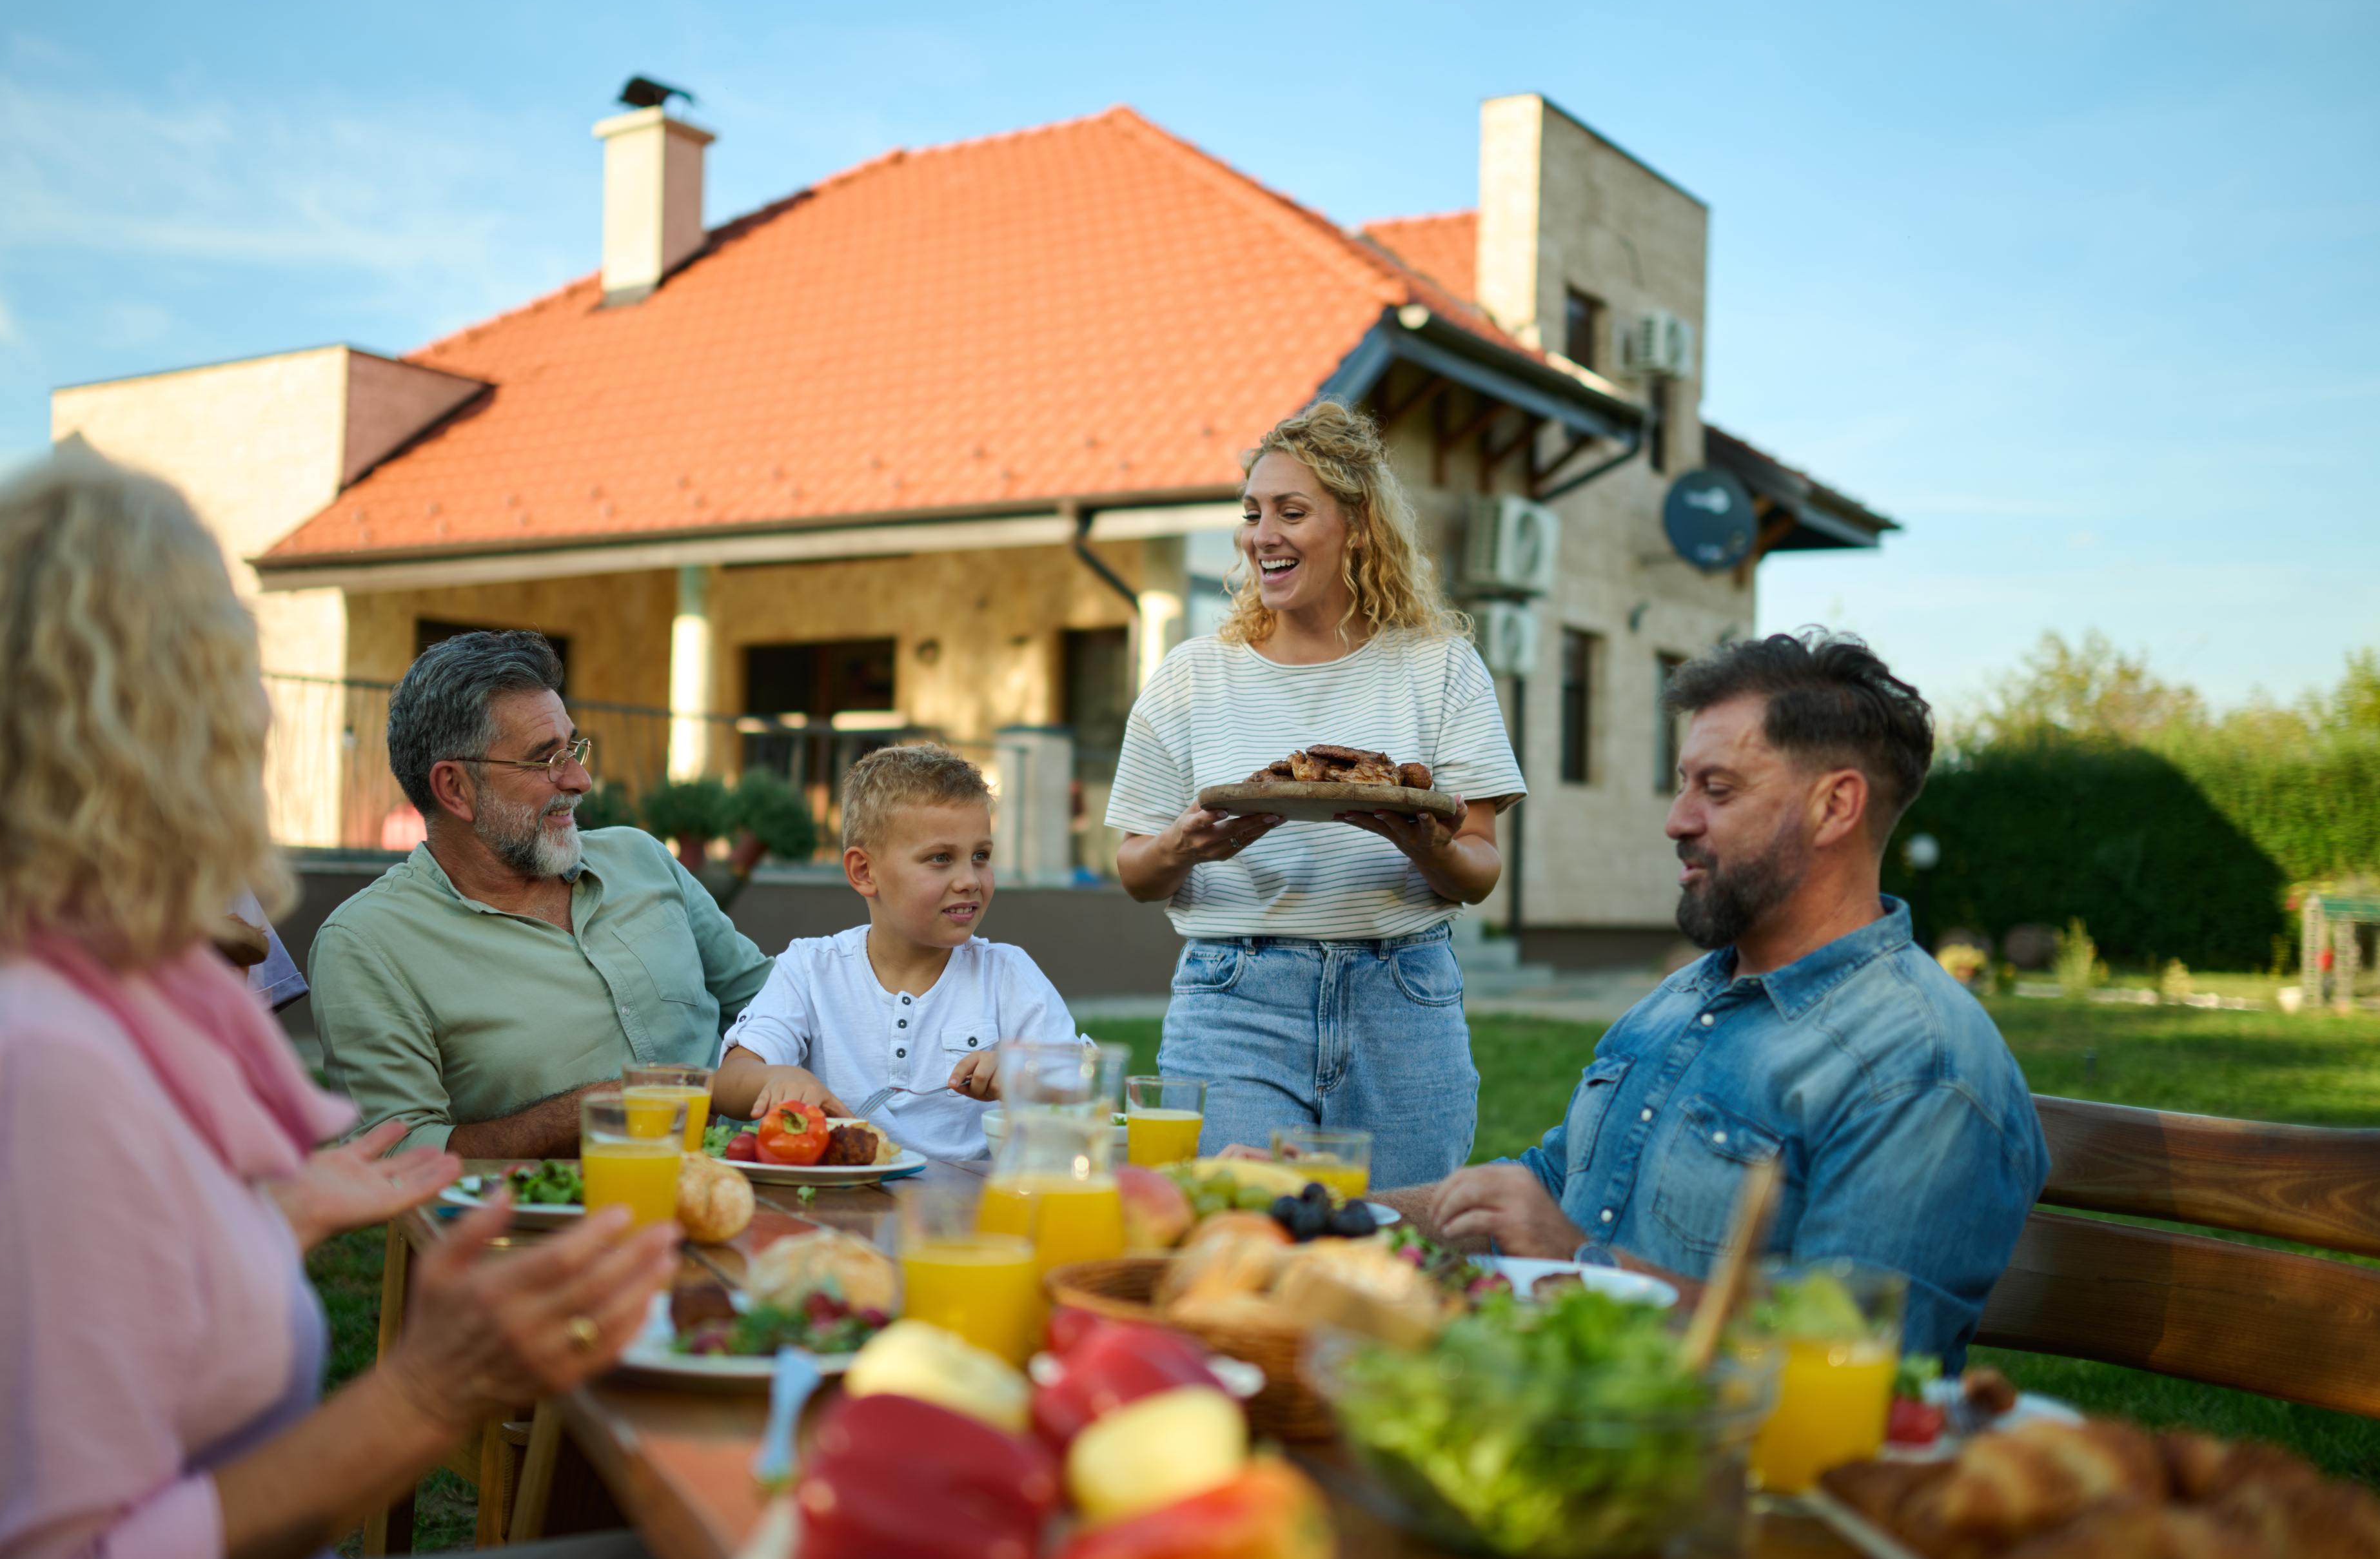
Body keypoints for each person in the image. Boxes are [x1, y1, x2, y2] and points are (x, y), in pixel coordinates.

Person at [0, 452, 714, 1559]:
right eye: (225, 665)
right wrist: (432, 1391)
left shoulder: (27, 983)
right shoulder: (30, 1066)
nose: (260, 716)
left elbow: (79, 1314)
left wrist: (270, 1213)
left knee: (729, 1556)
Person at [1386, 631, 2048, 1363]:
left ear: (1835, 807)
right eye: (1682, 783)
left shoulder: (1918, 1065)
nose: (1677, 820)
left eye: (1718, 789)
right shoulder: (1687, 995)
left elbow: (1853, 1360)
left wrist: (1580, 1267)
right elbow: (1541, 1190)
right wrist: (1319, 1204)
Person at [1105, 401, 1524, 1188]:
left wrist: (1414, 836)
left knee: (1400, 1247)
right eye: (1253, 513)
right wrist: (1183, 846)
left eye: (1292, 512)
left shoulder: (1439, 666)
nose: (1263, 534)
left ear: (1358, 526)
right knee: (1236, 1240)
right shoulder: (1194, 675)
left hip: (1402, 996)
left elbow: (1478, 869)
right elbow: (1134, 871)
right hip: (1237, 997)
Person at [309, 631, 812, 1157]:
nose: (579, 779)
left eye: (572, 748)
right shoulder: (365, 944)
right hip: (556, 1230)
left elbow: (771, 1001)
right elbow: (395, 1154)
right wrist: (605, 1108)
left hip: (754, 1187)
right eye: (544, 759)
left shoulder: (640, 859)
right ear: (454, 788)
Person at [714, 743, 1076, 1162]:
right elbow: (728, 1084)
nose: (969, 880)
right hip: (840, 1205)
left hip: (974, 1208)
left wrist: (1024, 1076)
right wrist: (778, 1079)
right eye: (940, 858)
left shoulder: (1008, 975)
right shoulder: (811, 970)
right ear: (864, 872)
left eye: (981, 856)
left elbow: (1081, 1087)